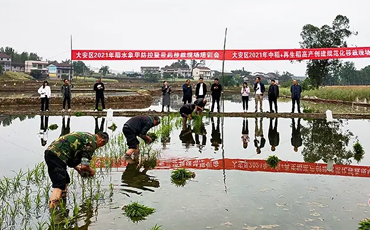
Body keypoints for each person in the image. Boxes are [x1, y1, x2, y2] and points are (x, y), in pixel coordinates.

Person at [44, 131, 109, 208]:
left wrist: (78, 169)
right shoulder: (92, 143)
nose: (98, 147)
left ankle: (62, 204)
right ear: (102, 141)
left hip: (53, 153)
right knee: (59, 184)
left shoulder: (87, 136)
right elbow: (84, 166)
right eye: (102, 145)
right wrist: (91, 171)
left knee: (65, 180)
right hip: (56, 155)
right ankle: (53, 213)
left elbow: (70, 160)